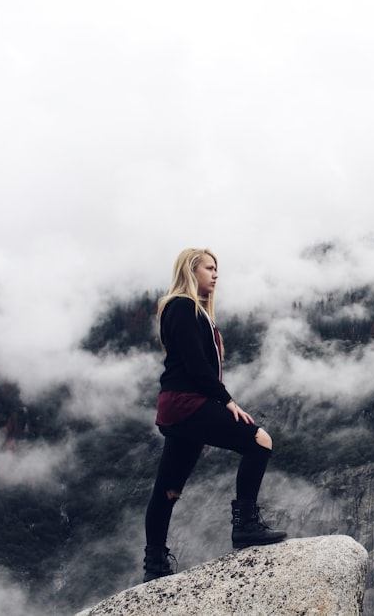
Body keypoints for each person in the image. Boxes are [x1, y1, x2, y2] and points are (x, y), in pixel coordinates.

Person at [143, 248, 286, 583]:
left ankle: (154, 567)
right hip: (187, 402)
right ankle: (246, 526)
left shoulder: (194, 312)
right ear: (191, 271)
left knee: (168, 491)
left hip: (180, 407)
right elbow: (196, 365)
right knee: (259, 441)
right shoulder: (182, 306)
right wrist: (226, 401)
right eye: (209, 268)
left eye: (216, 269)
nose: (215, 274)